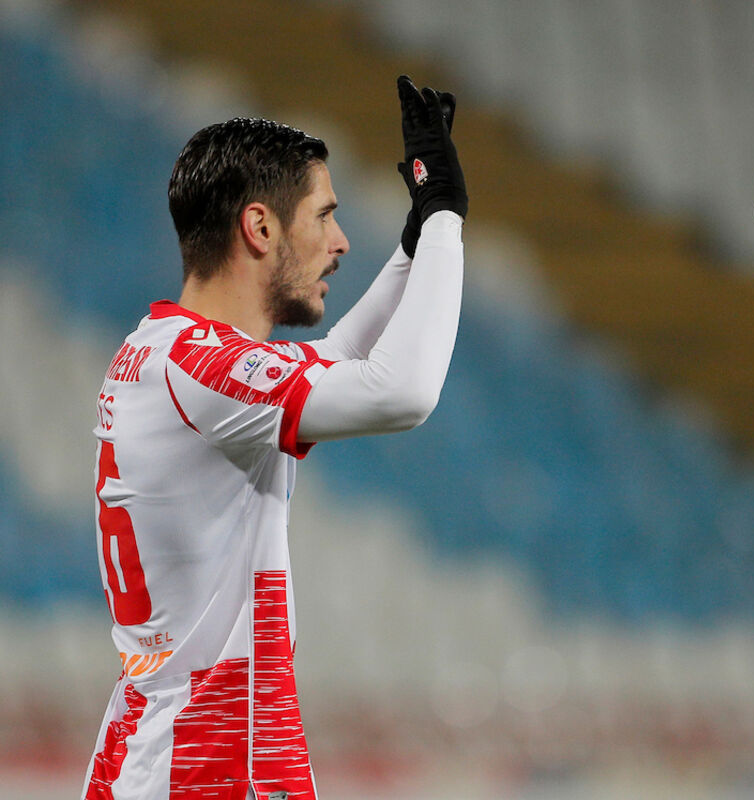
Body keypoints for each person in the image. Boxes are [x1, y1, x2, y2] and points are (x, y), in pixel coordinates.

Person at [81, 76, 467, 800]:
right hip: (208, 764)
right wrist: (446, 217)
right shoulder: (200, 368)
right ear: (260, 229)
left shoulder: (165, 350)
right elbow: (403, 391)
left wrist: (416, 241)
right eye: (324, 216)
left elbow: (341, 357)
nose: (340, 242)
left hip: (173, 746)